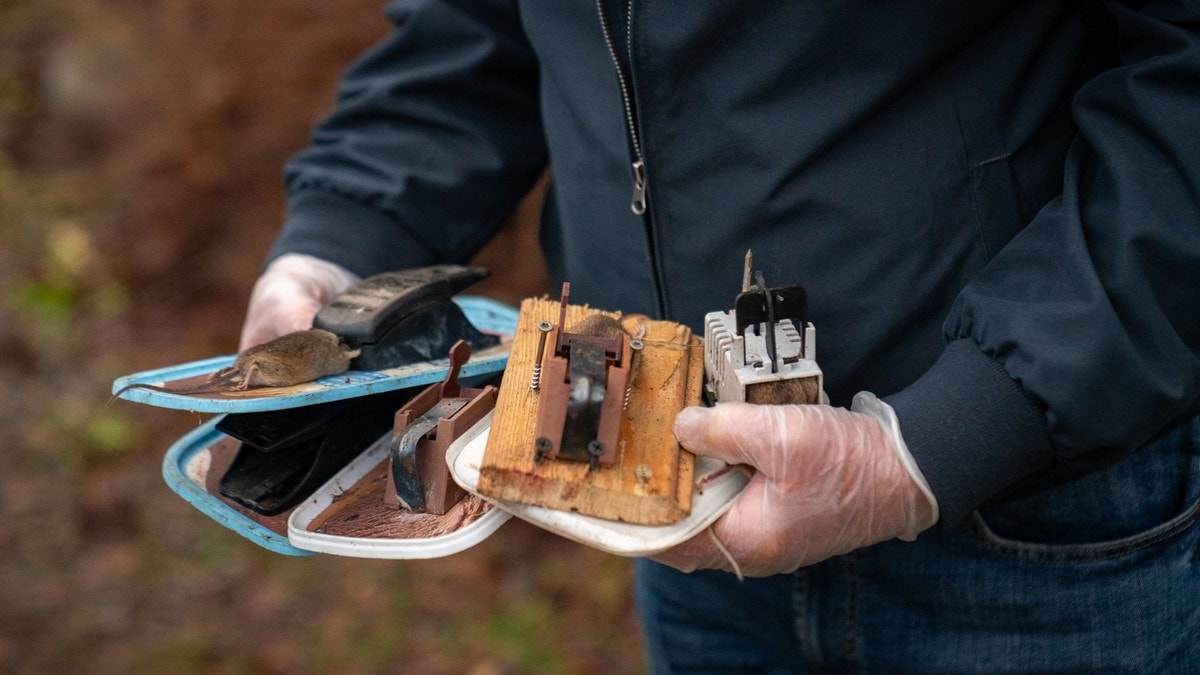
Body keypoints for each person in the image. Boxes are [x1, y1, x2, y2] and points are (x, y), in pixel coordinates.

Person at [239, 1, 1200, 671]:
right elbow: (480, 24)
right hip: (680, 515)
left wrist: (953, 434)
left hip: (1043, 521)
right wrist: (345, 240)